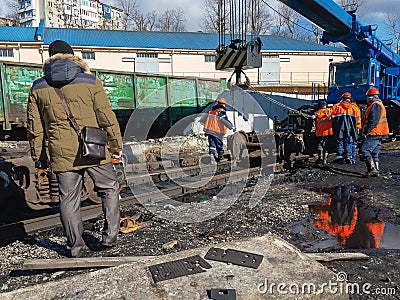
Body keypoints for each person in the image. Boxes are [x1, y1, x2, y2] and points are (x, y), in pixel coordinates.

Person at [27, 40, 123, 258]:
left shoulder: (38, 87)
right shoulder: (91, 81)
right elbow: (106, 116)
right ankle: (109, 237)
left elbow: (35, 127)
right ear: (72, 56)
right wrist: (116, 145)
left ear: (50, 59)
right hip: (94, 147)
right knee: (109, 188)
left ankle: (75, 247)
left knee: (68, 199)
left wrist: (39, 156)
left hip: (61, 153)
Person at [359, 88, 389, 177]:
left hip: (374, 133)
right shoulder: (378, 104)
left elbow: (373, 120)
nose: (366, 99)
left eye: (367, 97)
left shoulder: (375, 105)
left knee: (364, 151)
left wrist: (366, 133)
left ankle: (372, 170)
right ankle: (376, 170)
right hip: (379, 132)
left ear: (371, 97)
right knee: (374, 153)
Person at [330, 92, 360, 164]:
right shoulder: (354, 107)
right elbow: (358, 119)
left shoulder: (336, 106)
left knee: (339, 142)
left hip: (339, 128)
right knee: (348, 142)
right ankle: (348, 157)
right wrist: (358, 128)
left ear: (342, 99)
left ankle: (340, 158)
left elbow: (329, 115)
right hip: (350, 129)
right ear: (350, 99)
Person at [203, 97, 235, 163]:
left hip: (210, 130)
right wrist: (231, 126)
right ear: (223, 104)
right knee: (219, 144)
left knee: (212, 144)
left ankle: (212, 158)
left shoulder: (212, 110)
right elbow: (223, 119)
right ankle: (221, 157)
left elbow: (208, 120)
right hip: (216, 130)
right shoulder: (221, 110)